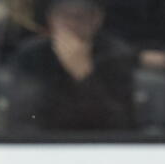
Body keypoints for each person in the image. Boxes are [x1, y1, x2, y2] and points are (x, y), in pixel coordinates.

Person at [8, 0, 136, 132]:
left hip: (99, 143)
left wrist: (84, 75)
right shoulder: (32, 54)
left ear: (97, 19)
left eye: (79, 17)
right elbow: (22, 119)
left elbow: (122, 125)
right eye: (64, 16)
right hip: (45, 143)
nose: (72, 24)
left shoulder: (116, 54)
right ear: (51, 19)